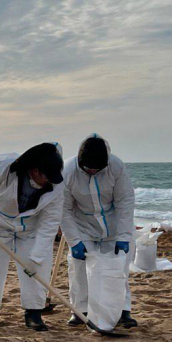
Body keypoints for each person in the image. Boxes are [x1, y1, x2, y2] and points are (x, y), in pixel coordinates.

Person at [0, 142, 64, 331]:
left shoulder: (57, 184)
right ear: (35, 170)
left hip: (31, 228)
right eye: (45, 176)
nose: (48, 181)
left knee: (38, 267)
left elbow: (50, 222)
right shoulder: (2, 166)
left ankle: (34, 313)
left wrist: (36, 257)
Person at [60, 134, 137, 329]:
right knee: (79, 270)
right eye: (88, 169)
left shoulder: (116, 167)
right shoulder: (67, 172)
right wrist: (73, 240)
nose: (93, 171)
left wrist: (124, 236)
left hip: (114, 224)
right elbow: (64, 210)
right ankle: (80, 311)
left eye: (97, 169)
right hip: (82, 225)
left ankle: (122, 311)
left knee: (118, 269)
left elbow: (125, 201)